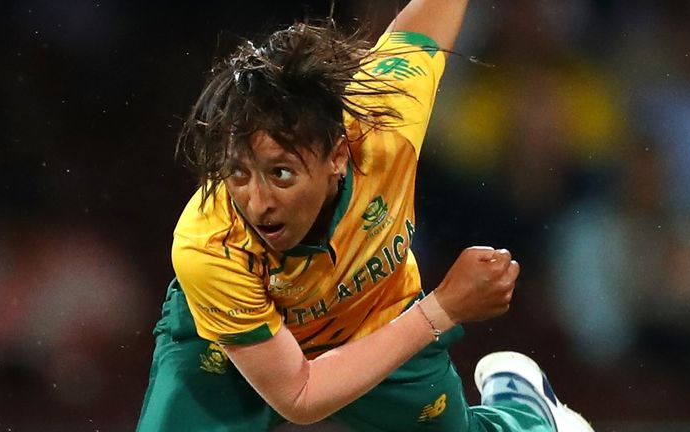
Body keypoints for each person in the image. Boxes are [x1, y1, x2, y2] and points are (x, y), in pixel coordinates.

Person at [137, 1, 592, 431]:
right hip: (234, 346)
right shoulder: (208, 244)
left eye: (281, 173)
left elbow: (419, 28)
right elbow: (299, 393)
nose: (257, 202)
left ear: (337, 155)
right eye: (237, 172)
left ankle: (526, 410)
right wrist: (444, 308)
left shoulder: (385, 123)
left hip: (374, 317)